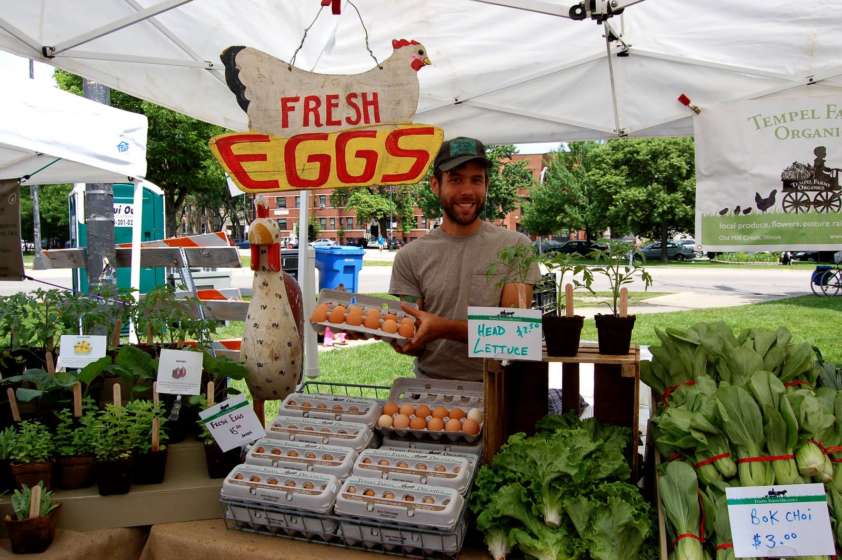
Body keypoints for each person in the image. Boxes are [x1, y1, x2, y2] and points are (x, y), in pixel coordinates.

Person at [388, 137, 540, 382]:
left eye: (476, 180)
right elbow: (413, 343)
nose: (467, 191)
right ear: (435, 185)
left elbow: (514, 335)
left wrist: (444, 328)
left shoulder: (515, 247)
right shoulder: (410, 256)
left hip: (499, 387)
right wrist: (382, 331)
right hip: (431, 388)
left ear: (486, 184)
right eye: (456, 179)